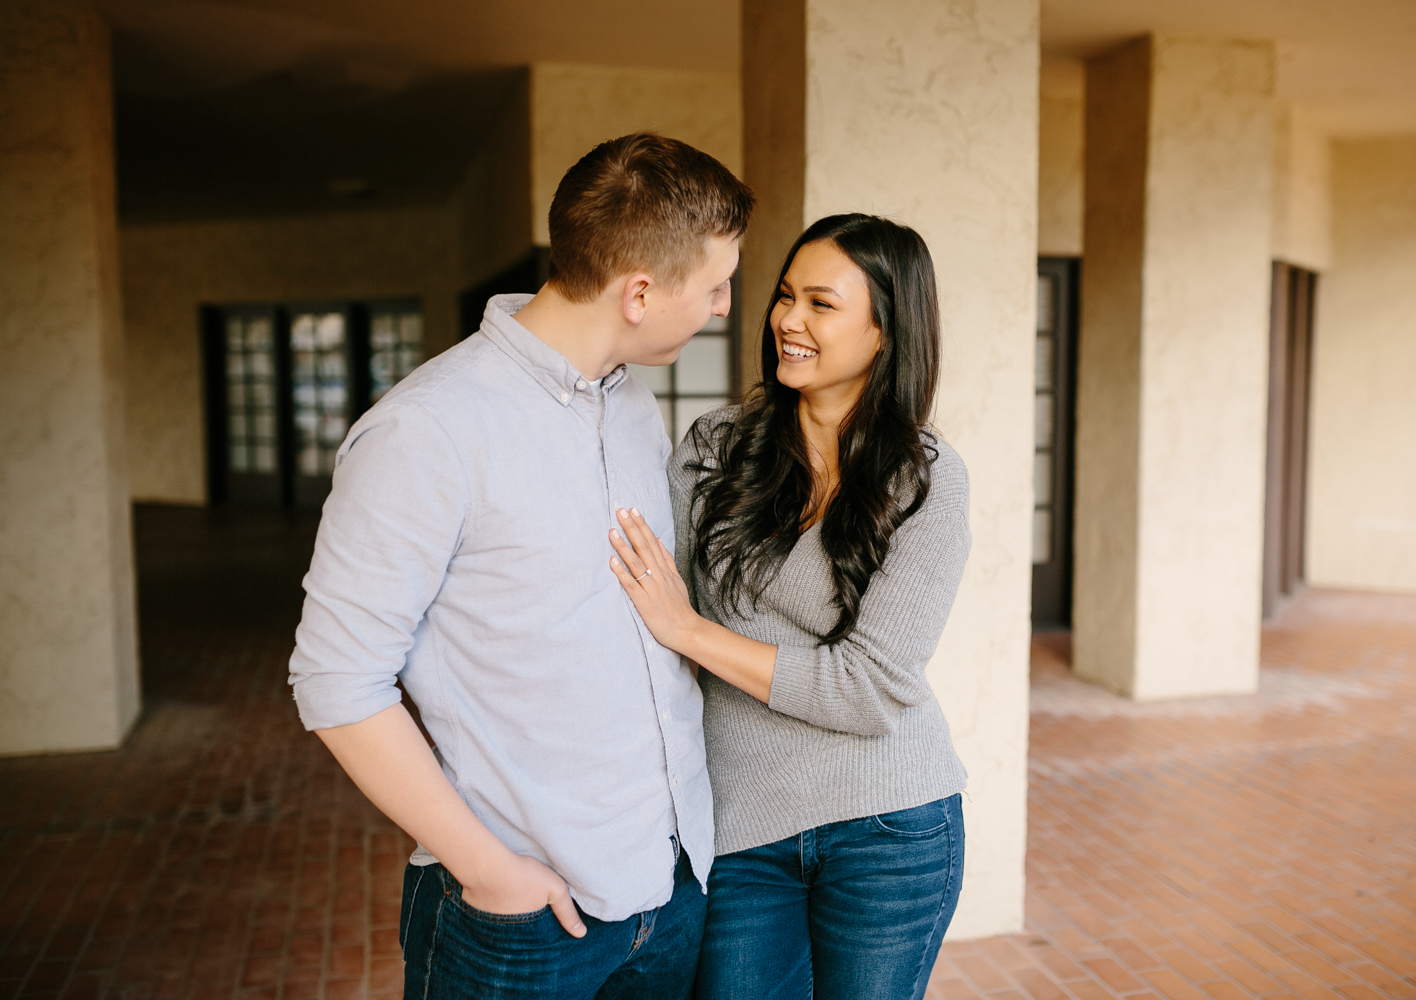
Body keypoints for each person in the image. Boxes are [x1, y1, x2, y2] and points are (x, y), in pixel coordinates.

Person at [286, 132, 754, 999]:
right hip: (522, 917)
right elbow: (335, 680)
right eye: (716, 283)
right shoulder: (425, 431)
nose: (726, 306)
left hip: (671, 888)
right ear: (640, 292)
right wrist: (492, 873)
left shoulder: (632, 404)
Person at [606, 213, 970, 1000]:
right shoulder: (715, 448)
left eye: (820, 303)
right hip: (742, 826)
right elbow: (644, 607)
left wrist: (692, 631)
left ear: (884, 331)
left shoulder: (927, 479)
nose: (787, 320)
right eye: (782, 296)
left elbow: (871, 689)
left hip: (891, 825)